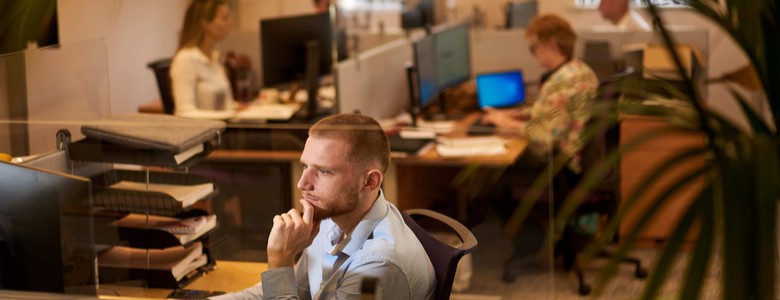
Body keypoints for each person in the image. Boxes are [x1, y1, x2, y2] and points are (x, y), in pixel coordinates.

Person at [213, 114, 435, 299]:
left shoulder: (377, 266)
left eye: (323, 171)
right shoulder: (330, 221)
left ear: (369, 182)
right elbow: (289, 292)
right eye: (306, 166)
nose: (303, 184)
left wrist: (281, 259)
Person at [170, 0, 237, 119]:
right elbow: (184, 112)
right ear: (205, 23)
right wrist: (231, 115)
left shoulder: (215, 56)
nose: (230, 22)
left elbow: (227, 106)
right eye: (224, 18)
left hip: (222, 130)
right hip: (204, 134)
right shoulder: (185, 59)